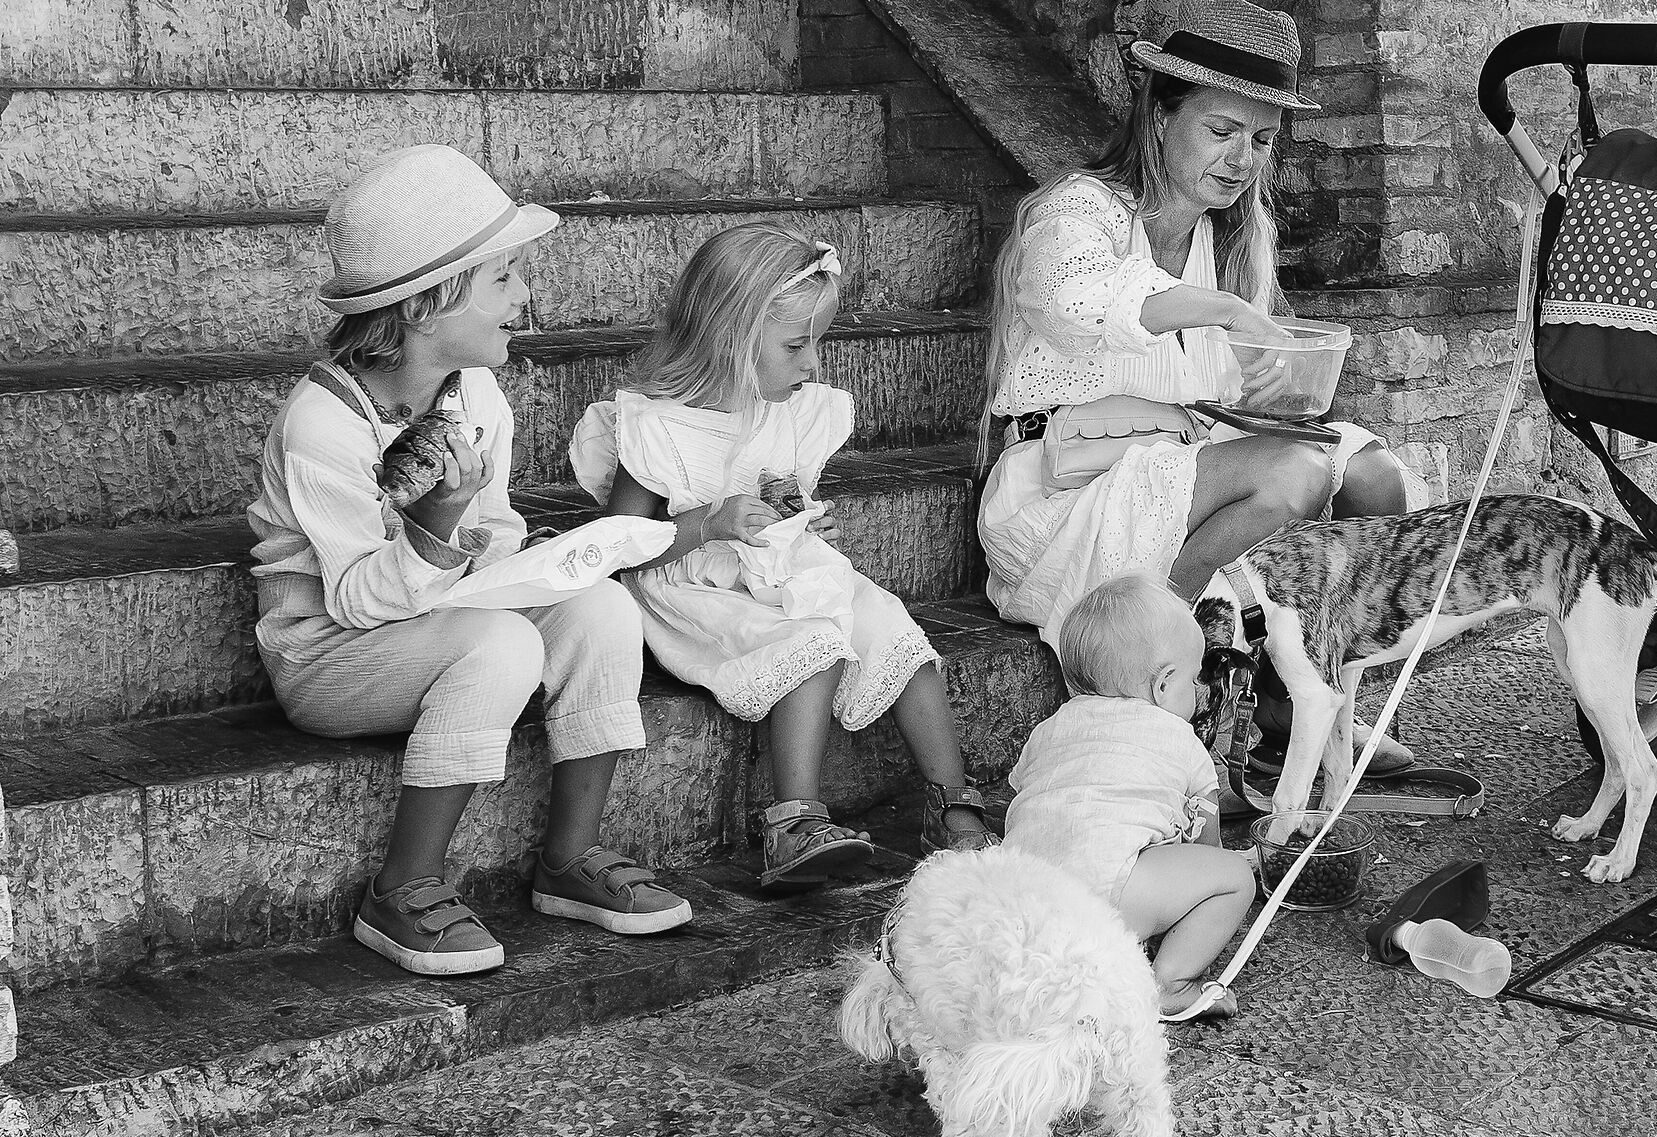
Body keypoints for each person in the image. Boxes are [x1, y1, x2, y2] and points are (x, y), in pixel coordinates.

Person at [249, 146, 690, 977]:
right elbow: (350, 602)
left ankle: (569, 857)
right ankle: (403, 885)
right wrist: (438, 523)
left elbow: (495, 531)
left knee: (602, 608)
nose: (525, 297)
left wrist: (527, 561)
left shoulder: (475, 391)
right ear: (425, 302)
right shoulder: (323, 425)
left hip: (438, 612)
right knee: (503, 646)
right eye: (504, 278)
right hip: (331, 656)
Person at [977, 0, 1422, 767]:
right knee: (1295, 475)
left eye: (1259, 139)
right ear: (1159, 117)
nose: (1242, 159)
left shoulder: (1232, 238)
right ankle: (1179, 666)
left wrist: (1280, 383)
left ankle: (1306, 704)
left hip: (1183, 462)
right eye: (1220, 131)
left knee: (1376, 476)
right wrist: (1217, 309)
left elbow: (1229, 404)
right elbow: (1074, 292)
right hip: (1067, 490)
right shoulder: (1078, 212)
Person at [573, 224, 998, 883]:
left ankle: (951, 805)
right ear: (730, 337)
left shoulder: (790, 410)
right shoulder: (657, 428)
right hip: (693, 590)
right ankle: (793, 823)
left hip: (774, 570)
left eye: (815, 343)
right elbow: (616, 555)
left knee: (892, 627)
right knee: (813, 646)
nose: (811, 365)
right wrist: (708, 524)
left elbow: (785, 491)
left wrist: (798, 524)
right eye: (797, 345)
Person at [1003, 572, 1254, 1022]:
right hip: (1109, 895)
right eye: (1195, 679)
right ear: (1163, 686)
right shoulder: (1181, 738)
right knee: (1234, 876)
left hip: (1023, 903)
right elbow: (1206, 844)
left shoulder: (1049, 730)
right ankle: (1169, 984)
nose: (1200, 692)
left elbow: (1026, 800)